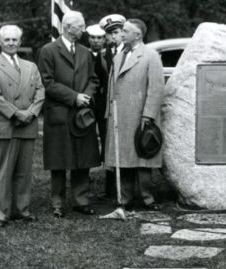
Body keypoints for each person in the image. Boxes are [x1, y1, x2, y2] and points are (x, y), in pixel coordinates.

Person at [0, 25, 45, 228]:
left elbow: (40, 91)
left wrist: (32, 113)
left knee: (24, 171)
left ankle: (22, 209)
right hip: (5, 124)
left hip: (27, 124)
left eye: (14, 40)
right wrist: (17, 113)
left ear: (20, 42)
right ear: (0, 42)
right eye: (7, 40)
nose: (10, 43)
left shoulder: (31, 66)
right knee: (4, 171)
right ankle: (1, 213)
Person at [38, 11, 100, 218]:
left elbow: (93, 79)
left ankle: (81, 201)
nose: (84, 30)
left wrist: (86, 96)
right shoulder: (48, 50)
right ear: (67, 27)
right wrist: (74, 97)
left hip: (82, 115)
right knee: (59, 160)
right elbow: (47, 82)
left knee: (82, 159)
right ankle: (58, 203)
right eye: (80, 26)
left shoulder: (85, 52)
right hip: (60, 114)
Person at [105, 19, 164, 210]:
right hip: (119, 116)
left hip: (140, 115)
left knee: (142, 155)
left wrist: (149, 115)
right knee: (123, 159)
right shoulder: (119, 55)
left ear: (137, 35)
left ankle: (147, 198)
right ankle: (124, 198)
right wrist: (109, 112)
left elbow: (156, 88)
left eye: (126, 31)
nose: (121, 33)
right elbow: (111, 87)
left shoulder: (150, 55)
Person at [98, 14, 126, 197]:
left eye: (116, 32)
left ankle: (126, 188)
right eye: (110, 34)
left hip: (126, 107)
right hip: (106, 108)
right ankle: (110, 189)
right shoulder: (103, 55)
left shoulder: (130, 52)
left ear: (124, 32)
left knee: (125, 146)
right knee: (109, 146)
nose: (113, 37)